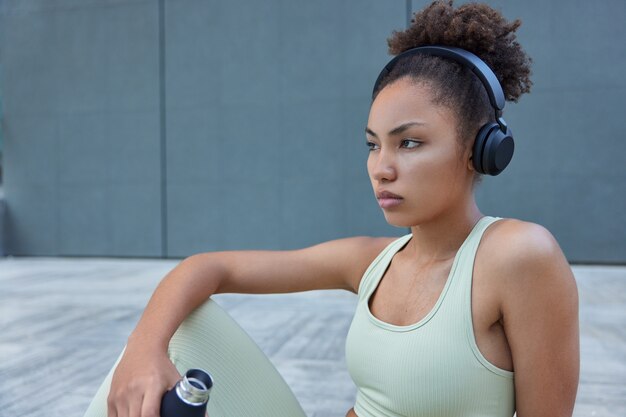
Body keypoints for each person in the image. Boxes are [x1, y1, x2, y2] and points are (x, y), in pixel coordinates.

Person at [86, 1, 579, 416]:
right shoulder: (371, 262)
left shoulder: (518, 256)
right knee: (174, 332)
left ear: (482, 149)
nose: (381, 168)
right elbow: (208, 267)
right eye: (373, 145)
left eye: (408, 143)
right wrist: (142, 350)